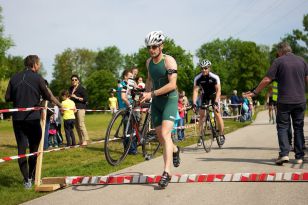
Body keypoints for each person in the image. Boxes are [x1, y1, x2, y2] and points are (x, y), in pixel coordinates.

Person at [246, 42, 308, 165]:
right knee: (298, 127)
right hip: (300, 100)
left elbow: (267, 79)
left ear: (280, 51)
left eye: (277, 52)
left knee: (283, 127)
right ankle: (299, 156)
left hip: (284, 101)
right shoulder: (302, 61)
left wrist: (255, 92)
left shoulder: (278, 61)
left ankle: (284, 154)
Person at [5, 55, 61, 189]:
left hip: (17, 118)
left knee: (21, 148)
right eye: (39, 64)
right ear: (35, 64)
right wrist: (59, 105)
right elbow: (48, 95)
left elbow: (7, 97)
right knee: (34, 149)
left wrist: (19, 96)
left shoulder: (14, 78)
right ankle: (31, 175)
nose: (40, 66)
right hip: (32, 118)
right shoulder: (37, 77)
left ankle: (26, 181)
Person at [140, 31, 180, 189]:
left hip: (169, 100)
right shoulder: (148, 62)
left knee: (165, 134)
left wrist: (152, 93)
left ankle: (166, 172)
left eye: (155, 46)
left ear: (161, 46)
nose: (152, 49)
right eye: (149, 47)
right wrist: (145, 94)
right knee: (162, 138)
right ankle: (175, 150)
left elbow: (172, 85)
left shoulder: (169, 61)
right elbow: (150, 79)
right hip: (156, 102)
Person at [192, 59, 225, 145]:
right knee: (202, 115)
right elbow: (195, 91)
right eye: (202, 68)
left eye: (206, 68)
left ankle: (221, 134)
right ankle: (200, 136)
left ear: (209, 68)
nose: (204, 70)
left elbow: (219, 91)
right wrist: (194, 103)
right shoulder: (198, 78)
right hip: (205, 95)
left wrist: (217, 102)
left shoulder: (214, 77)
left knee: (217, 113)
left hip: (214, 95)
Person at [117, 69, 137, 155]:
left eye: (132, 77)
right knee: (128, 130)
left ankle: (130, 149)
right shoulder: (121, 84)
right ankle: (130, 149)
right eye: (130, 77)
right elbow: (123, 97)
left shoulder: (129, 84)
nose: (132, 78)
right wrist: (129, 105)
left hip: (130, 108)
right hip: (126, 109)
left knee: (130, 129)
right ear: (125, 76)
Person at [69, 75, 89, 146]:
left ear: (78, 81)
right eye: (72, 80)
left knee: (81, 124)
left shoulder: (81, 89)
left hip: (81, 108)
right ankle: (81, 140)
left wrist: (76, 97)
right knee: (76, 125)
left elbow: (86, 99)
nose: (74, 81)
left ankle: (86, 140)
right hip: (74, 109)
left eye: (75, 79)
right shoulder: (70, 89)